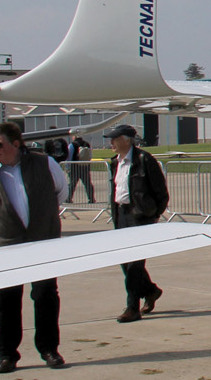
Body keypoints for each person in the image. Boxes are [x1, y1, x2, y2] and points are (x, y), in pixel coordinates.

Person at [0, 121, 70, 373]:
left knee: (45, 296)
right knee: (6, 300)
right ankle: (7, 355)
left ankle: (49, 349)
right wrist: (3, 223)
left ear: (15, 143)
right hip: (5, 246)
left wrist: (41, 218)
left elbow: (61, 192)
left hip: (41, 242)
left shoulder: (45, 164)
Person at [105, 123, 169, 323]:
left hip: (140, 216)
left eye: (115, 139)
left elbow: (161, 192)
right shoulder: (115, 162)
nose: (111, 143)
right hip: (121, 214)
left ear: (126, 140)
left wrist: (154, 215)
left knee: (134, 264)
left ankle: (132, 308)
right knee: (126, 263)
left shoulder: (145, 160)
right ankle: (150, 291)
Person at [66, 135, 95, 203]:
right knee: (87, 183)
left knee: (72, 184)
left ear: (74, 137)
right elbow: (90, 155)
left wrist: (68, 167)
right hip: (85, 166)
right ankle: (91, 198)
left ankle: (68, 198)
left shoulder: (72, 145)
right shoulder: (87, 144)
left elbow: (69, 157)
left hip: (75, 166)